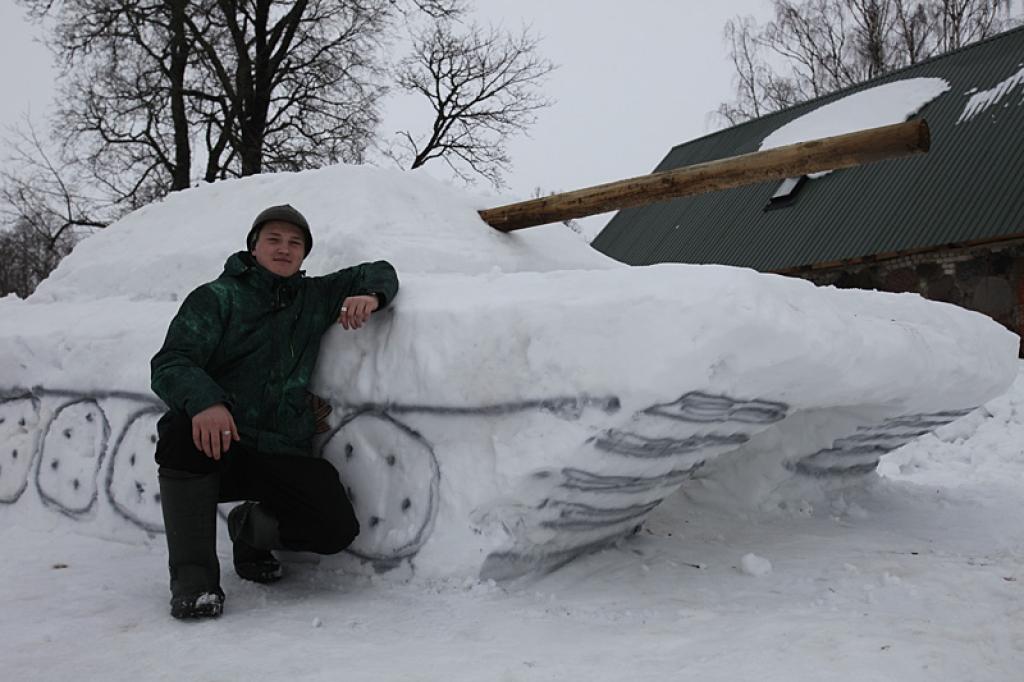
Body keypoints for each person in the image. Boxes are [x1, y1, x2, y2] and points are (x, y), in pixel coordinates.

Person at [150, 204, 399, 619]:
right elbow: (171, 361)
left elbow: (379, 269)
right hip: (223, 442)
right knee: (180, 431)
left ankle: (248, 530)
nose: (284, 249)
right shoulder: (216, 298)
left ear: (304, 254)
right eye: (274, 240)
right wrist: (206, 402)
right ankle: (194, 581)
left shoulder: (313, 298)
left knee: (335, 527)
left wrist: (370, 295)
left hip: (282, 445)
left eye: (295, 243)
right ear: (253, 246)